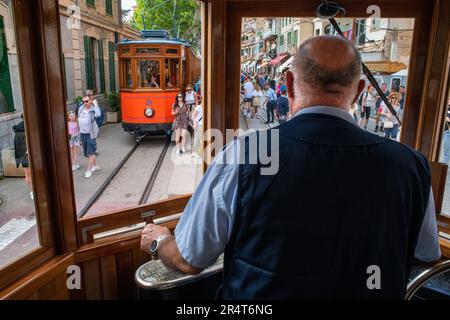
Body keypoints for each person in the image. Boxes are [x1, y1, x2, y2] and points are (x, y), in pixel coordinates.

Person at [140, 35, 440, 299]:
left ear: (288, 84)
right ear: (360, 90)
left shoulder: (245, 154)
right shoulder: (410, 164)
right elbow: (425, 254)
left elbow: (189, 259)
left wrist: (159, 240)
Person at [78, 96, 101, 178]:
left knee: (90, 153)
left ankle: (88, 170)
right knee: (88, 152)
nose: (85, 102)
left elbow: (98, 115)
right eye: (83, 101)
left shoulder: (93, 109)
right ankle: (95, 165)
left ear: (90, 101)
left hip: (91, 134)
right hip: (83, 134)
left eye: (87, 101)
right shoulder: (81, 109)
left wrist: (95, 104)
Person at [13, 114, 33, 200]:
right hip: (31, 154)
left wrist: (18, 158)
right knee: (31, 174)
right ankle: (33, 191)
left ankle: (32, 191)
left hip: (23, 156)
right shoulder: (29, 127)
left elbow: (16, 145)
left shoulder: (18, 129)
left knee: (28, 174)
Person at [441, 98, 450, 164]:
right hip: (444, 131)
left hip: (448, 132)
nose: (448, 100)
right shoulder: (445, 108)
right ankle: (444, 166)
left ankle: (445, 166)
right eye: (448, 99)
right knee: (445, 152)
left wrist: (448, 119)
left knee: (446, 152)